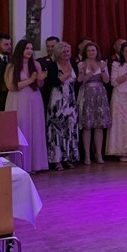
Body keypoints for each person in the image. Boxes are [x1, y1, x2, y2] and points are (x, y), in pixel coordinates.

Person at [3, 40, 48, 173]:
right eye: (27, 48)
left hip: (34, 99)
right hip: (18, 99)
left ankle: (35, 164)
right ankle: (21, 164)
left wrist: (40, 79)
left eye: (31, 48)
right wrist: (30, 80)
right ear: (20, 50)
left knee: (35, 129)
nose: (30, 51)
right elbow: (11, 86)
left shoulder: (36, 64)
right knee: (22, 128)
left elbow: (39, 85)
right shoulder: (12, 66)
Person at [45, 41, 81, 170]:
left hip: (70, 101)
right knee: (56, 130)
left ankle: (69, 158)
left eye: (68, 51)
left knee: (70, 129)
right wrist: (65, 75)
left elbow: (77, 82)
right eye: (63, 52)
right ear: (58, 53)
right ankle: (56, 160)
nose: (66, 54)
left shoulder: (74, 64)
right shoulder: (52, 66)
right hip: (57, 101)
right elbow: (53, 82)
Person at [76, 41, 111, 164]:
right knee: (87, 126)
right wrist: (88, 74)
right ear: (85, 52)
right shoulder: (82, 64)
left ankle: (99, 154)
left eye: (93, 50)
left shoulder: (102, 63)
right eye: (89, 51)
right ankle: (87, 155)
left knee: (99, 125)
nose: (91, 52)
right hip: (87, 94)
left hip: (100, 94)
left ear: (97, 52)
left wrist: (103, 69)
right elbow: (79, 81)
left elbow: (106, 81)